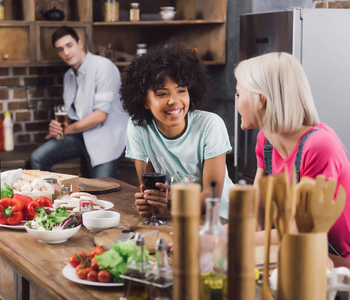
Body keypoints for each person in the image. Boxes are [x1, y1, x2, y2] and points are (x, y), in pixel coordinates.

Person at [235, 52, 350, 258]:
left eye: (238, 94)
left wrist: (223, 238)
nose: (236, 104)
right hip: (302, 254)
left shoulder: (319, 146)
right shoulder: (265, 141)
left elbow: (300, 230)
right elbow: (256, 218)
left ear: (260, 100)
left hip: (339, 265)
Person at [120, 42, 234, 219]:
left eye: (181, 90)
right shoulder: (138, 126)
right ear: (144, 101)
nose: (174, 101)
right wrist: (150, 204)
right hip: (176, 217)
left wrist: (174, 202)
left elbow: (212, 197)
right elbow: (150, 190)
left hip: (220, 219)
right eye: (162, 94)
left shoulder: (211, 125)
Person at [29, 26, 129, 178]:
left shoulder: (103, 67)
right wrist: (58, 127)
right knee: (37, 158)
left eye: (69, 45)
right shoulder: (68, 76)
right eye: (60, 49)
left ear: (80, 43)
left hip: (105, 138)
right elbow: (73, 113)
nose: (66, 53)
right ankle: (49, 197)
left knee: (103, 192)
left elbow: (100, 116)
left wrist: (66, 130)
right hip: (80, 135)